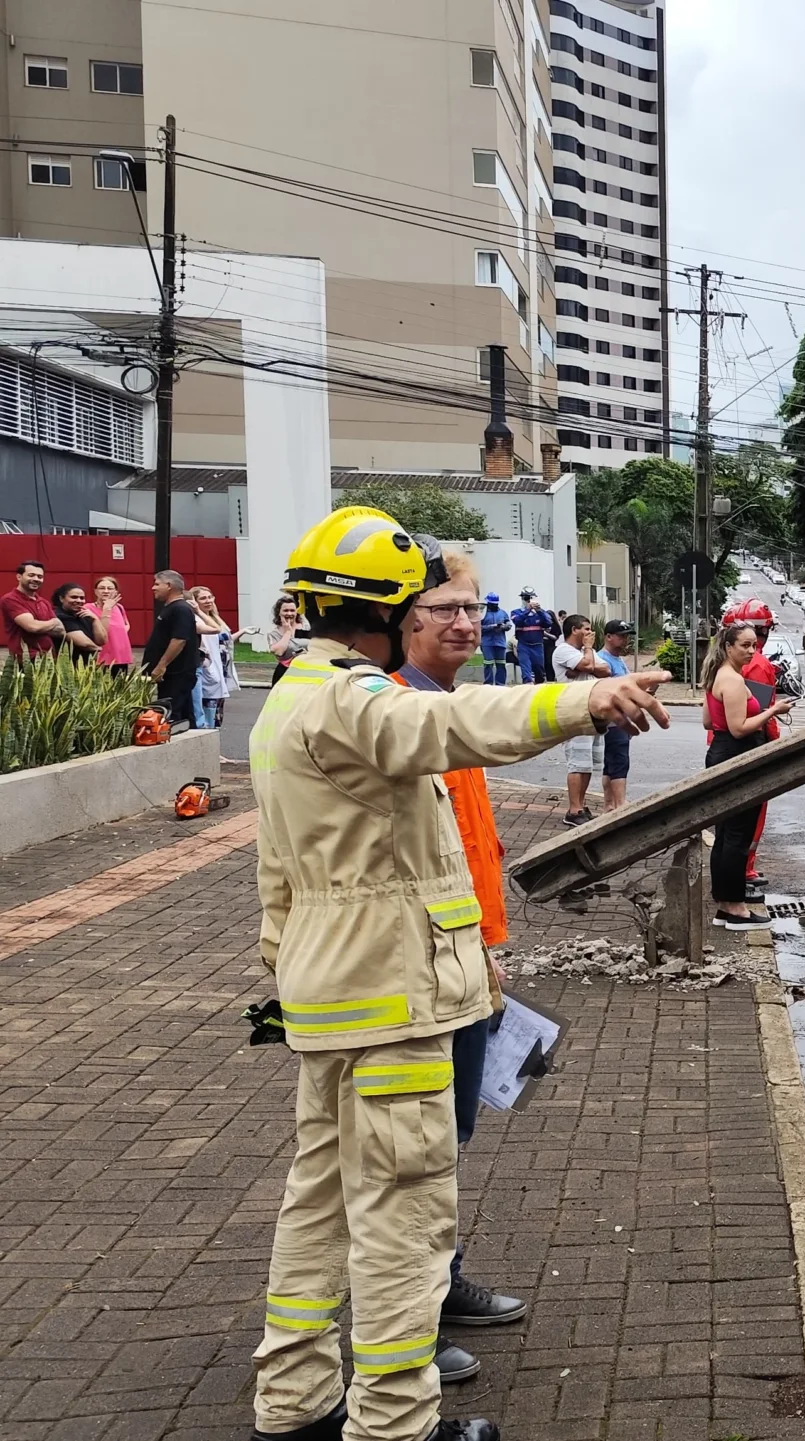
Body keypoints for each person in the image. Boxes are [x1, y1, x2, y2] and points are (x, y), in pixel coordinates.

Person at [248, 505, 670, 1441]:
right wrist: (583, 700)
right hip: (392, 1003)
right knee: (404, 1221)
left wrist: (288, 980)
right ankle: (396, 1424)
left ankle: (293, 1407)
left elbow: (277, 878)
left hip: (334, 1001)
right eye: (423, 605)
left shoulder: (288, 696)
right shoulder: (352, 701)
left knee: (317, 1205)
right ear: (390, 612)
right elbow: (454, 719)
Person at [383, 552, 530, 1387]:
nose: (465, 622)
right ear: (401, 620)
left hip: (468, 956)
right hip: (419, 973)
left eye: (474, 607)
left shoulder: (445, 708)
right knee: (416, 1151)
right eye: (444, 607)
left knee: (451, 1140)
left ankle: (443, 1283)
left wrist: (488, 955)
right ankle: (412, 1320)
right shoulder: (396, 713)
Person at [703, 622, 791, 928]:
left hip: (721, 753)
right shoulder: (734, 681)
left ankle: (725, 904)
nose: (751, 651)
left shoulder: (718, 675)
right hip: (738, 756)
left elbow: (707, 722)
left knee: (726, 833)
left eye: (754, 645)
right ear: (729, 647)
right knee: (738, 834)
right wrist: (772, 710)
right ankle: (737, 909)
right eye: (745, 645)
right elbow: (739, 727)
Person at [552, 616, 611, 824]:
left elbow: (606, 670)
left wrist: (584, 666)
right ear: (575, 630)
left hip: (592, 714)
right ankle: (573, 809)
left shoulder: (589, 653)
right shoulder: (563, 650)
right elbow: (588, 664)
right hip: (574, 711)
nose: (590, 633)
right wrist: (586, 659)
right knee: (577, 762)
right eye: (586, 629)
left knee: (588, 763)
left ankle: (581, 803)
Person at [143, 570, 204, 722]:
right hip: (171, 675)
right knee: (184, 714)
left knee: (171, 714)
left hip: (177, 673)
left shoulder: (180, 609)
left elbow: (179, 640)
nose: (153, 588)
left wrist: (161, 666)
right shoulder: (171, 608)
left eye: (157, 584)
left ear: (169, 585)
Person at [595, 620, 638, 812]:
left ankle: (609, 804)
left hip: (621, 718)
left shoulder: (617, 659)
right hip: (613, 719)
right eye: (621, 636)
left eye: (627, 636)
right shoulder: (602, 661)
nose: (625, 640)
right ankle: (620, 803)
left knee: (611, 763)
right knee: (619, 760)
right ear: (608, 637)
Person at [192, 586, 238, 730]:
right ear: (195, 602)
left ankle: (214, 747)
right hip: (209, 670)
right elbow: (220, 633)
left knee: (218, 715)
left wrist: (215, 615)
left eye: (210, 597)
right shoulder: (198, 619)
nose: (208, 601)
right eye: (203, 598)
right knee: (208, 715)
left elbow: (226, 636)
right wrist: (199, 612)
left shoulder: (212, 617)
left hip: (221, 670)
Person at [3, 559, 63, 661]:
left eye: (40, 577)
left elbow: (61, 631)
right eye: (31, 575)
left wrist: (41, 625)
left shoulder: (44, 602)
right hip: (26, 660)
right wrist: (53, 622)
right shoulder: (10, 599)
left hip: (48, 658)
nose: (36, 579)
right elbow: (32, 627)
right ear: (19, 577)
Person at [265, 595, 311, 687]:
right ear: (279, 612)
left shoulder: (306, 627)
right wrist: (288, 632)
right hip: (285, 673)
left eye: (292, 610)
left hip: (307, 671)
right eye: (285, 610)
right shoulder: (274, 633)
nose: (289, 613)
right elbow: (279, 652)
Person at [51, 582, 101, 663]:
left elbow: (101, 640)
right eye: (74, 597)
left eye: (82, 598)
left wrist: (95, 620)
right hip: (67, 666)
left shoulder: (85, 615)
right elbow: (84, 643)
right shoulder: (59, 616)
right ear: (61, 599)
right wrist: (99, 650)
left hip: (87, 666)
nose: (78, 601)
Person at [93, 575, 135, 672]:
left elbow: (125, 625)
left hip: (121, 657)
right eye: (102, 588)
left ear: (116, 591)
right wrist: (106, 609)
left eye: (110, 588)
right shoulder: (88, 608)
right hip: (102, 658)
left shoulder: (119, 607)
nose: (106, 591)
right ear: (95, 591)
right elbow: (102, 632)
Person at [509, 590, 551, 684]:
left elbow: (548, 623)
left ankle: (539, 686)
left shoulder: (541, 613)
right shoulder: (516, 612)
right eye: (526, 598)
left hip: (537, 645)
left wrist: (539, 611)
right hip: (524, 646)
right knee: (526, 671)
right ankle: (527, 686)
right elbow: (518, 621)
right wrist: (527, 610)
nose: (528, 600)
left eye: (530, 598)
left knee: (539, 670)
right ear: (522, 599)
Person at [476, 594, 510, 687]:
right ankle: (488, 683)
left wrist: (504, 626)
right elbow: (478, 627)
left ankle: (501, 684)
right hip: (487, 642)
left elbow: (508, 624)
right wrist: (492, 626)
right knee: (488, 663)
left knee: (501, 664)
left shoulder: (502, 613)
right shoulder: (483, 614)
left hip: (500, 642)